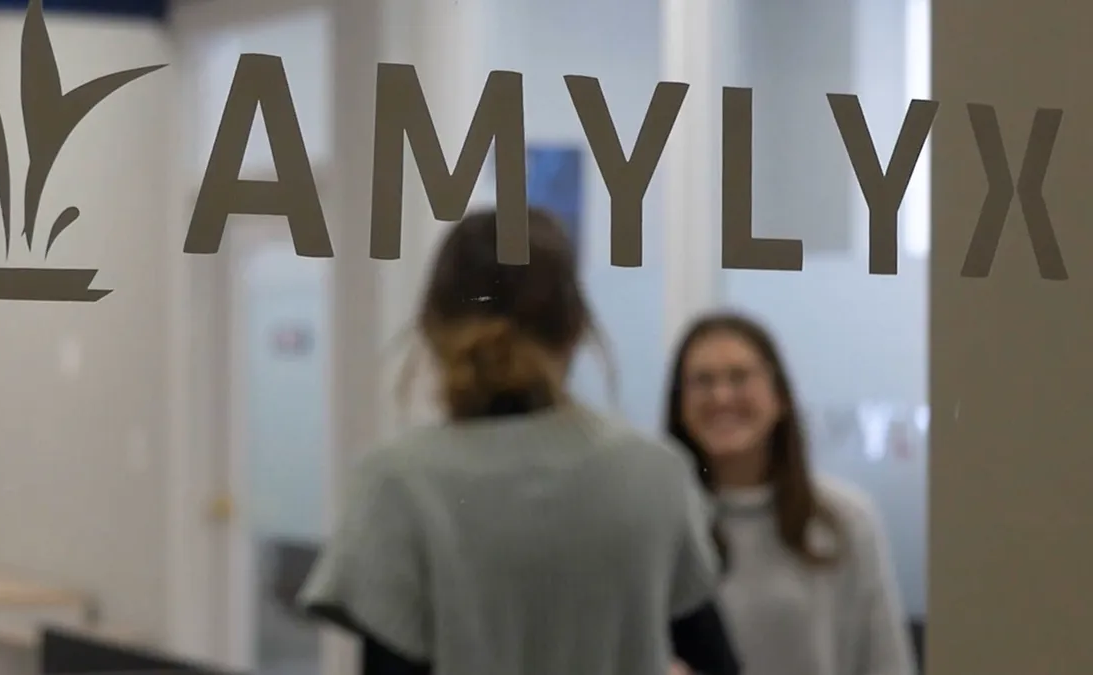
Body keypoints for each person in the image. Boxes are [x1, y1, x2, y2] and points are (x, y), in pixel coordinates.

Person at [297, 208, 741, 675]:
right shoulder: (654, 475)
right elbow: (715, 660)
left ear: (431, 327)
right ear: (575, 327)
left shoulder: (398, 484)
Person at [664, 312, 916, 675]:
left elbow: (887, 662)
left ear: (779, 397)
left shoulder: (844, 518)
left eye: (739, 377)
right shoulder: (663, 524)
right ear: (680, 406)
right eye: (702, 382)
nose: (721, 396)